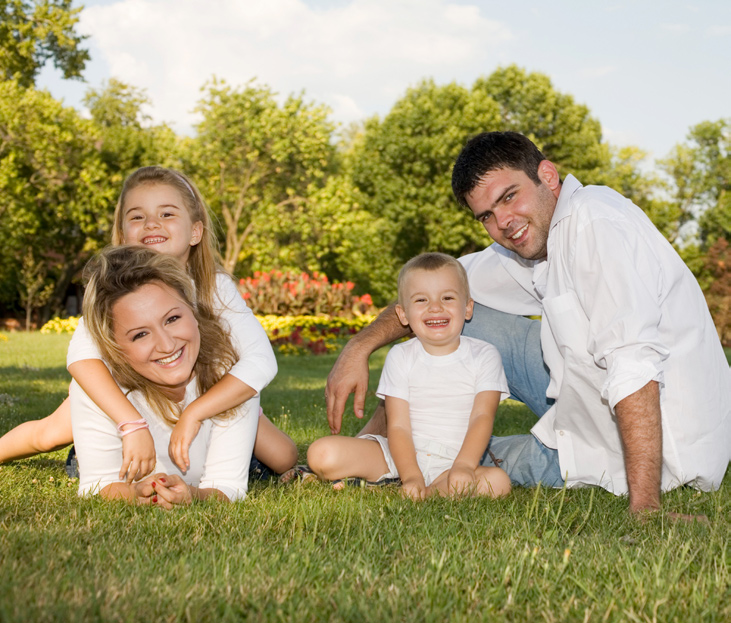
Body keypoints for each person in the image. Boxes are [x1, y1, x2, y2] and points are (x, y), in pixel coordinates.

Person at [325, 131, 731, 516]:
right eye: (487, 215)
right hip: (581, 400)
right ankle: (371, 448)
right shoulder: (528, 244)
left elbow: (634, 364)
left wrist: (645, 507)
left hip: (659, 442)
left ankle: (397, 463)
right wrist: (358, 347)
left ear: (547, 176)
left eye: (509, 196)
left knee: (476, 465)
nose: (503, 221)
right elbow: (433, 290)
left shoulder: (595, 224)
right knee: (448, 313)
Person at [0, 166, 297, 480]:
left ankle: (216, 443)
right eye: (137, 217)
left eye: (167, 214)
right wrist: (130, 424)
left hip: (204, 390)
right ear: (124, 234)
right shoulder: (115, 290)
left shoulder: (216, 287)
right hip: (127, 391)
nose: (152, 224)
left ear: (196, 231)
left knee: (283, 456)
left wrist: (198, 412)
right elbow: (81, 360)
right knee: (48, 434)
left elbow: (261, 361)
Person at [309, 253, 511, 500]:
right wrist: (411, 474)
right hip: (397, 456)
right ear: (403, 315)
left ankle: (425, 491)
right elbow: (398, 425)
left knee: (498, 482)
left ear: (467, 307)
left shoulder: (484, 355)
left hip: (453, 463)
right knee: (321, 453)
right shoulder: (400, 356)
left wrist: (465, 466)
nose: (435, 307)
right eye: (421, 300)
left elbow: (482, 417)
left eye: (447, 297)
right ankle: (404, 482)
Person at [72, 245, 257, 504]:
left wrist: (195, 495)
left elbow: (228, 485)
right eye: (140, 334)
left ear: (193, 310)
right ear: (114, 347)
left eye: (172, 319)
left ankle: (262, 424)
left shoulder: (233, 376)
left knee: (283, 455)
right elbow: (97, 484)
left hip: (243, 433)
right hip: (104, 420)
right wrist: (133, 493)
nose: (167, 345)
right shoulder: (96, 388)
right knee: (44, 436)